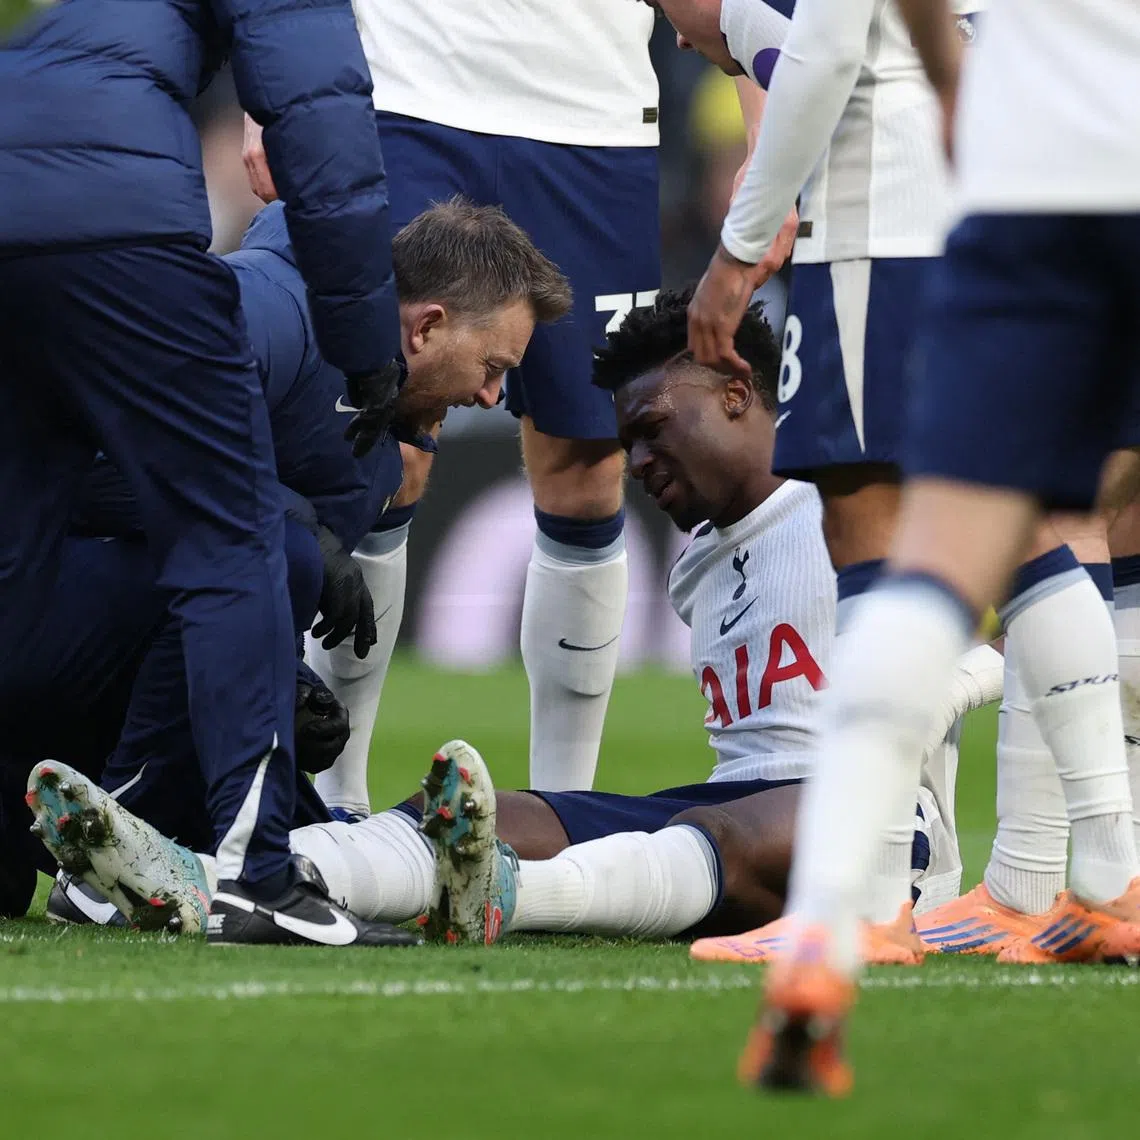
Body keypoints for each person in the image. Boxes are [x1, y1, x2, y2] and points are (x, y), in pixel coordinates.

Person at [29, 292, 982, 952]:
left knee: (723, 828)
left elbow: (991, 642)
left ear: (739, 392)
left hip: (886, 836)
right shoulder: (700, 561)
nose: (640, 460)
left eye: (656, 426)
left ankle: (515, 901)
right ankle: (200, 875)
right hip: (741, 806)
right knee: (505, 815)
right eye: (628, 440)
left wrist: (924, 707)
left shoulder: (849, 502)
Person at [733, 0, 1140, 1097]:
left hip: (1031, 183)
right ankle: (1109, 875)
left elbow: (830, 35)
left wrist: (953, 79)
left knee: (919, 542)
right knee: (1085, 513)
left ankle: (839, 922)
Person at [8, 201, 572, 937]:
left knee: (291, 834)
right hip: (33, 607)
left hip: (91, 657)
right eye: (493, 367)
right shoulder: (270, 311)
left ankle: (432, 872)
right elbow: (95, 467)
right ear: (427, 326)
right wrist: (286, 523)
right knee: (281, 555)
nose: (492, 398)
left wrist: (289, 681)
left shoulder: (376, 448)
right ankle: (112, 852)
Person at [0, 0, 406, 944]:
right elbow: (322, 119)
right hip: (115, 216)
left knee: (15, 554)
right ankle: (254, 875)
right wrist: (363, 340)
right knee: (238, 545)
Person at [242, 0, 665, 806]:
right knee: (380, 433)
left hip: (596, 115)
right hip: (405, 91)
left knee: (588, 467)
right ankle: (337, 800)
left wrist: (762, 121)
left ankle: (561, 812)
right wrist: (271, 97)